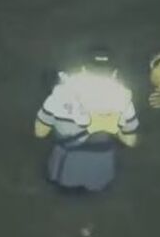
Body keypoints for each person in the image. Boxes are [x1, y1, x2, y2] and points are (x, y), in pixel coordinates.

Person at [34, 49, 138, 192]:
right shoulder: (122, 97)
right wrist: (111, 126)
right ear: (114, 72)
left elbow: (40, 132)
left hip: (62, 176)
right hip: (101, 179)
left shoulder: (61, 92)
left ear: (83, 69)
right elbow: (130, 141)